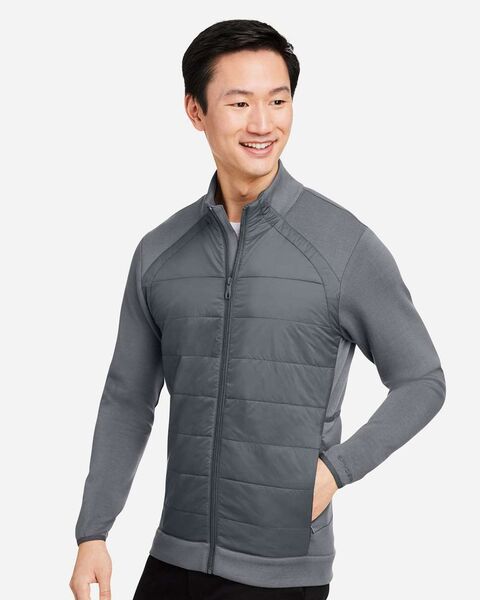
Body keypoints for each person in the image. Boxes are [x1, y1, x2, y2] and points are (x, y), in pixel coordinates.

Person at [70, 19, 446, 600]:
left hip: (283, 572)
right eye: (240, 102)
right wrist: (93, 531)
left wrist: (335, 472)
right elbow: (128, 397)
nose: (263, 124)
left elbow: (422, 380)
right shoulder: (159, 253)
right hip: (174, 557)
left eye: (278, 100)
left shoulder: (342, 246)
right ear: (195, 110)